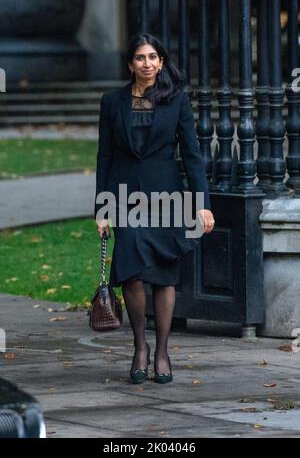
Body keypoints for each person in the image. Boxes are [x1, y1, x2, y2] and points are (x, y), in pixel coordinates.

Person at [94, 33, 215, 384]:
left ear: (161, 62)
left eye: (152, 57)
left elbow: (192, 158)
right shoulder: (112, 101)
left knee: (164, 276)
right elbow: (104, 156)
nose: (146, 63)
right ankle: (139, 347)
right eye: (139, 58)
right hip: (125, 199)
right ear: (130, 64)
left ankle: (161, 351)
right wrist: (102, 207)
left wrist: (202, 205)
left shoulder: (175, 101)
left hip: (168, 201)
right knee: (131, 274)